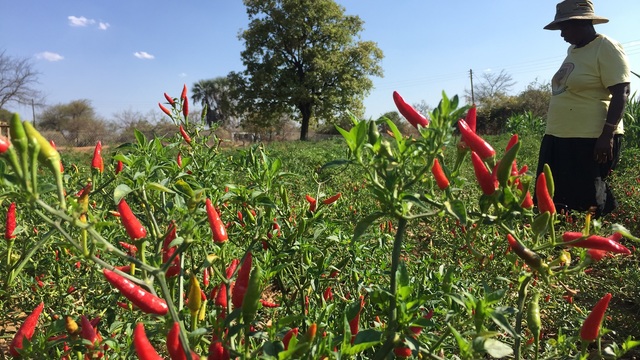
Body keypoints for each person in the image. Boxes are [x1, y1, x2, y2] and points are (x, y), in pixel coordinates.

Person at [536, 0, 630, 218]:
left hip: (590, 137)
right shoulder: (574, 50)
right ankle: (563, 243)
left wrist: (607, 134)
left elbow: (621, 92)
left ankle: (597, 242)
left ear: (583, 23)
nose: (562, 34)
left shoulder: (605, 46)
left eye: (565, 27)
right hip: (560, 135)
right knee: (556, 198)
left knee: (589, 199)